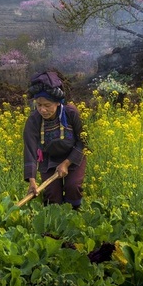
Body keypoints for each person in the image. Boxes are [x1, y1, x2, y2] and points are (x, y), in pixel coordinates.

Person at [23, 70, 87, 209]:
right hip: (48, 159)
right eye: (39, 105)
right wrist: (32, 181)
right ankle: (54, 223)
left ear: (58, 103)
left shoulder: (71, 113)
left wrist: (66, 163)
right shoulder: (34, 120)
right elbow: (30, 150)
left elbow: (83, 141)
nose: (42, 110)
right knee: (52, 193)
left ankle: (73, 216)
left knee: (73, 186)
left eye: (47, 105)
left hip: (73, 156)